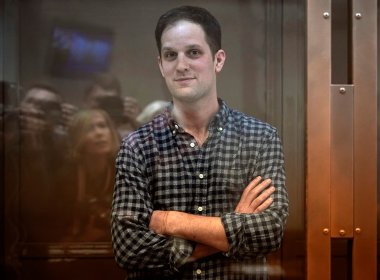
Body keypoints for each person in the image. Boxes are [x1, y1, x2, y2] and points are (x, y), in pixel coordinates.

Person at [111, 5, 288, 280]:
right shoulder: (137, 146)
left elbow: (270, 232)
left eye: (193, 52)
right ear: (161, 65)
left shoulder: (260, 137)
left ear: (218, 60)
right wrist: (234, 225)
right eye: (171, 55)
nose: (181, 65)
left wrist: (171, 221)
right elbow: (129, 249)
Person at [60, 109, 120, 242]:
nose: (99, 133)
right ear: (77, 137)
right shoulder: (67, 175)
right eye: (89, 129)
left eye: (102, 126)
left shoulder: (123, 170)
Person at [83, 73, 141, 137]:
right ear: (85, 102)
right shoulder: (74, 133)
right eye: (98, 100)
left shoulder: (127, 137)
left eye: (109, 101)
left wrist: (136, 124)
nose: (104, 105)